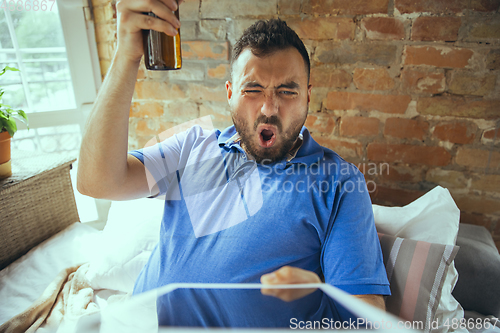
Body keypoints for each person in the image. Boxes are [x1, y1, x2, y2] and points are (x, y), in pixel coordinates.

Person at [77, 0, 390, 312]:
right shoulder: (193, 145)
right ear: (229, 93)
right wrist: (126, 56)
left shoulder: (339, 181)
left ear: (308, 95)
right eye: (252, 90)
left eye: (287, 91)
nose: (269, 108)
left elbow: (363, 316)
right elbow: (97, 183)